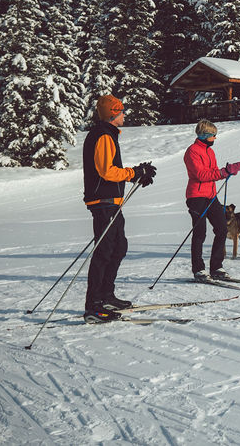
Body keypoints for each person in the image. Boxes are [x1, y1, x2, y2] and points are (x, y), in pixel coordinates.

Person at [81, 95, 156, 323]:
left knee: (118, 247)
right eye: (121, 111)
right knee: (104, 252)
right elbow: (107, 171)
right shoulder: (103, 136)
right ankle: (93, 305)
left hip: (111, 201)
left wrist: (135, 174)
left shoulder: (108, 134)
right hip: (103, 201)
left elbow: (112, 171)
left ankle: (106, 295)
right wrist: (133, 173)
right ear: (113, 114)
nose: (124, 115)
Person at [184, 120, 240, 282]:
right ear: (205, 135)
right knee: (200, 233)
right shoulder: (192, 152)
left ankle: (216, 267)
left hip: (211, 196)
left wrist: (227, 171)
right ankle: (198, 270)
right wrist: (223, 172)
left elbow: (212, 173)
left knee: (222, 229)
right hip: (196, 197)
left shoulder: (209, 152)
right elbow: (201, 175)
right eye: (213, 136)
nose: (215, 139)